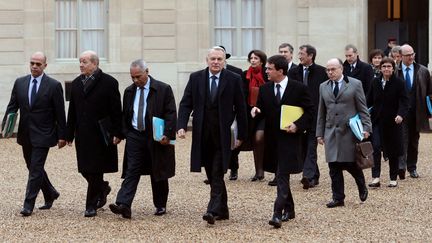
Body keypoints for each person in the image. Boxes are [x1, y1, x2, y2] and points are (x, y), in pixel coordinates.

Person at [177, 46, 248, 225]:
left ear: (224, 61)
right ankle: (223, 210)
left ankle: (212, 210)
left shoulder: (234, 79)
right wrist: (181, 126)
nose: (216, 62)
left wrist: (242, 135)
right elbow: (186, 103)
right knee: (211, 170)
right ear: (207, 60)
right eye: (213, 59)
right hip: (202, 134)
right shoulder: (196, 78)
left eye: (219, 59)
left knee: (217, 173)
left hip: (223, 135)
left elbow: (241, 108)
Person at [251, 54, 313, 228]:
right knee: (281, 174)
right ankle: (290, 209)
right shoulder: (264, 89)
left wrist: (297, 125)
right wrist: (256, 111)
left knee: (282, 175)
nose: (266, 71)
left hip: (291, 139)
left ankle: (277, 213)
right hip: (273, 140)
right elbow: (263, 110)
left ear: (280, 70)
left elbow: (310, 112)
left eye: (269, 69)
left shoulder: (299, 88)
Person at [109, 59, 176, 219]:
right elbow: (125, 114)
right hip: (135, 135)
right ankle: (123, 204)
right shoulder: (129, 91)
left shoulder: (163, 89)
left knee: (157, 169)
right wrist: (121, 133)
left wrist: (167, 133)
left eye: (138, 76)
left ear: (147, 71)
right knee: (132, 169)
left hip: (156, 135)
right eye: (133, 77)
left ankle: (160, 204)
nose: (135, 80)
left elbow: (171, 113)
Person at [1, 52, 66, 216]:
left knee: (35, 169)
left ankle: (28, 204)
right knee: (32, 166)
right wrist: (5, 127)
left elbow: (60, 113)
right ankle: (51, 192)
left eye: (38, 64)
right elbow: (12, 107)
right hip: (25, 133)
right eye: (32, 63)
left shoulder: (54, 85)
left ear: (45, 65)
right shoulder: (20, 82)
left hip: (44, 134)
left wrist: (63, 135)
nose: (35, 66)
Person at [66, 50, 123, 217]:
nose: (81, 65)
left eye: (84, 62)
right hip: (82, 134)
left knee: (95, 169)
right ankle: (102, 187)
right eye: (80, 62)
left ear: (95, 63)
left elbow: (116, 110)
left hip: (101, 133)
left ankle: (91, 205)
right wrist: (68, 134)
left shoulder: (109, 82)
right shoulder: (76, 83)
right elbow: (72, 111)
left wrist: (117, 132)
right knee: (85, 168)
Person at [316, 58, 372, 208]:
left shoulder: (355, 84)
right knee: (333, 166)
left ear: (341, 69)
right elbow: (321, 111)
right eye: (328, 70)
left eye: (333, 69)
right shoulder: (323, 87)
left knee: (349, 163)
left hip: (349, 130)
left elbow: (362, 108)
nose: (330, 72)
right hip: (331, 130)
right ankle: (338, 198)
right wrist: (319, 133)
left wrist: (367, 128)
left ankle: (361, 184)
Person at [288, 44, 327, 190]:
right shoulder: (293, 72)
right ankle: (314, 174)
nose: (299, 56)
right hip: (298, 116)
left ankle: (308, 176)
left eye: (302, 53)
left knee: (311, 146)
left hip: (315, 115)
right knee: (302, 147)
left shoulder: (322, 72)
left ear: (310, 56)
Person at [367, 57, 409, 188]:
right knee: (375, 147)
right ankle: (375, 177)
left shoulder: (399, 83)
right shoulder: (375, 82)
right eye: (384, 66)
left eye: (389, 66)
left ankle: (393, 178)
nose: (386, 69)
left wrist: (401, 115)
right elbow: (369, 101)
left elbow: (404, 101)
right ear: (380, 68)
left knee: (393, 150)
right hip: (377, 121)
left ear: (393, 68)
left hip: (393, 121)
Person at [396, 44, 432, 179]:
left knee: (413, 141)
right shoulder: (395, 70)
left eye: (412, 54)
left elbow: (429, 92)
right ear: (401, 56)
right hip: (400, 112)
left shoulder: (423, 70)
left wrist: (429, 112)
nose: (411, 57)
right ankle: (401, 167)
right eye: (407, 55)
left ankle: (412, 168)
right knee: (401, 139)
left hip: (417, 112)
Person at [243, 50, 268, 182]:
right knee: (255, 141)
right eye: (251, 58)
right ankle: (259, 171)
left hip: (265, 113)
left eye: (256, 58)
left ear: (262, 61)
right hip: (250, 113)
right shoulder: (245, 75)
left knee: (259, 138)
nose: (253, 60)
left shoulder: (267, 73)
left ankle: (268, 169)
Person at [219, 45, 243, 181]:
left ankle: (234, 169)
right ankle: (217, 172)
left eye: (220, 58)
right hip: (215, 114)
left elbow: (240, 94)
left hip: (231, 113)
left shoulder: (237, 72)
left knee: (232, 143)